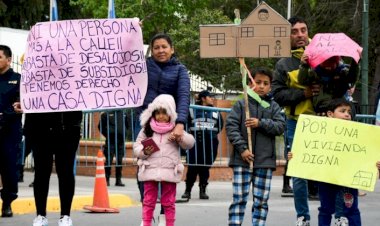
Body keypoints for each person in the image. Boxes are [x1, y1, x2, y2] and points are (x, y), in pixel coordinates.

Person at [287, 98, 380, 226]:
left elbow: (366, 155)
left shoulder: (357, 135)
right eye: (342, 111)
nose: (347, 114)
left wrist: (374, 165)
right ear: (330, 114)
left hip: (349, 182)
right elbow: (308, 152)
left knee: (351, 210)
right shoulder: (320, 135)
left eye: (349, 112)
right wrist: (295, 156)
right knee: (326, 209)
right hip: (326, 180)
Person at [133, 33, 191, 226]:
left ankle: (166, 213)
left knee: (167, 167)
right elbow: (125, 60)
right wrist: (132, 33)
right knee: (145, 164)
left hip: (171, 127)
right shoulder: (144, 66)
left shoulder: (181, 70)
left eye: (164, 46)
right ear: (152, 49)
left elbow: (184, 96)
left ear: (172, 49)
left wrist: (180, 123)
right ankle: (147, 213)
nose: (160, 50)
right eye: (156, 47)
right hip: (147, 125)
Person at [271, 16, 318, 226]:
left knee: (327, 171)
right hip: (296, 122)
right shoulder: (283, 63)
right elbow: (278, 95)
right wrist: (304, 94)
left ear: (308, 32)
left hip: (324, 121)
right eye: (294, 31)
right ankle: (303, 217)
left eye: (303, 30)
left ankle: (333, 214)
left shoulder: (323, 55)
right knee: (298, 173)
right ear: (288, 36)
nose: (299, 34)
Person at [226, 67, 285, 226]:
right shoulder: (241, 104)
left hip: (265, 162)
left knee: (261, 201)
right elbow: (231, 127)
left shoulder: (273, 107)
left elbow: (280, 126)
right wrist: (243, 149)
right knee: (239, 199)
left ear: (270, 87)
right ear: (250, 84)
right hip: (242, 160)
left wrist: (261, 123)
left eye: (265, 83)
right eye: (257, 82)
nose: (261, 86)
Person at [133, 94, 195, 226]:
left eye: (164, 112)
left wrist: (180, 138)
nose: (161, 116)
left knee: (169, 202)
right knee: (148, 200)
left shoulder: (176, 129)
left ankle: (169, 224)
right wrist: (143, 152)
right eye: (158, 112)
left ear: (171, 113)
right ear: (153, 113)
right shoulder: (147, 129)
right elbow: (136, 146)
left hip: (169, 171)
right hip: (150, 169)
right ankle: (146, 223)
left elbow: (190, 143)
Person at [13, 108, 82, 226]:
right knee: (41, 172)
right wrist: (22, 101)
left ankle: (65, 215)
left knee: (65, 172)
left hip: (67, 127)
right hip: (40, 128)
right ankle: (41, 215)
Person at [181, 90, 223, 200]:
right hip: (195, 144)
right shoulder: (192, 110)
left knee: (205, 168)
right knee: (192, 168)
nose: (212, 99)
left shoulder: (216, 111)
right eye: (210, 97)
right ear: (203, 98)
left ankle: (203, 190)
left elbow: (219, 126)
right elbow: (186, 126)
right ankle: (187, 191)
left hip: (210, 144)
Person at [0, 45, 22, 218]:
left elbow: (18, 106)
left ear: (8, 60)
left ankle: (7, 203)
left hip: (9, 132)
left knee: (8, 169)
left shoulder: (18, 80)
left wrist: (4, 115)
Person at [98, 110, 127, 187]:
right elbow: (100, 126)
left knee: (119, 160)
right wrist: (107, 134)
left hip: (120, 141)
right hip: (110, 141)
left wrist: (123, 133)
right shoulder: (105, 114)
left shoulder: (123, 113)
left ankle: (118, 180)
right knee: (109, 160)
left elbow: (127, 125)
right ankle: (106, 179)